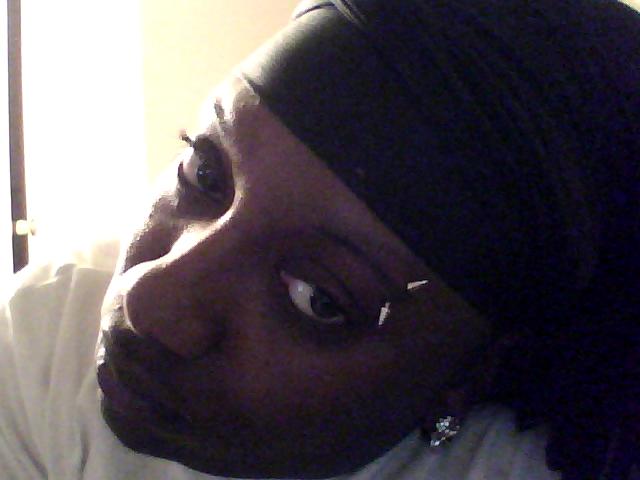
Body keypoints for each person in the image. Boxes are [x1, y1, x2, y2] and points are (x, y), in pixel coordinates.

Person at [1, 0, 639, 479]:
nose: (150, 302)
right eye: (205, 175)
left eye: (317, 299)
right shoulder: (46, 340)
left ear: (471, 373)